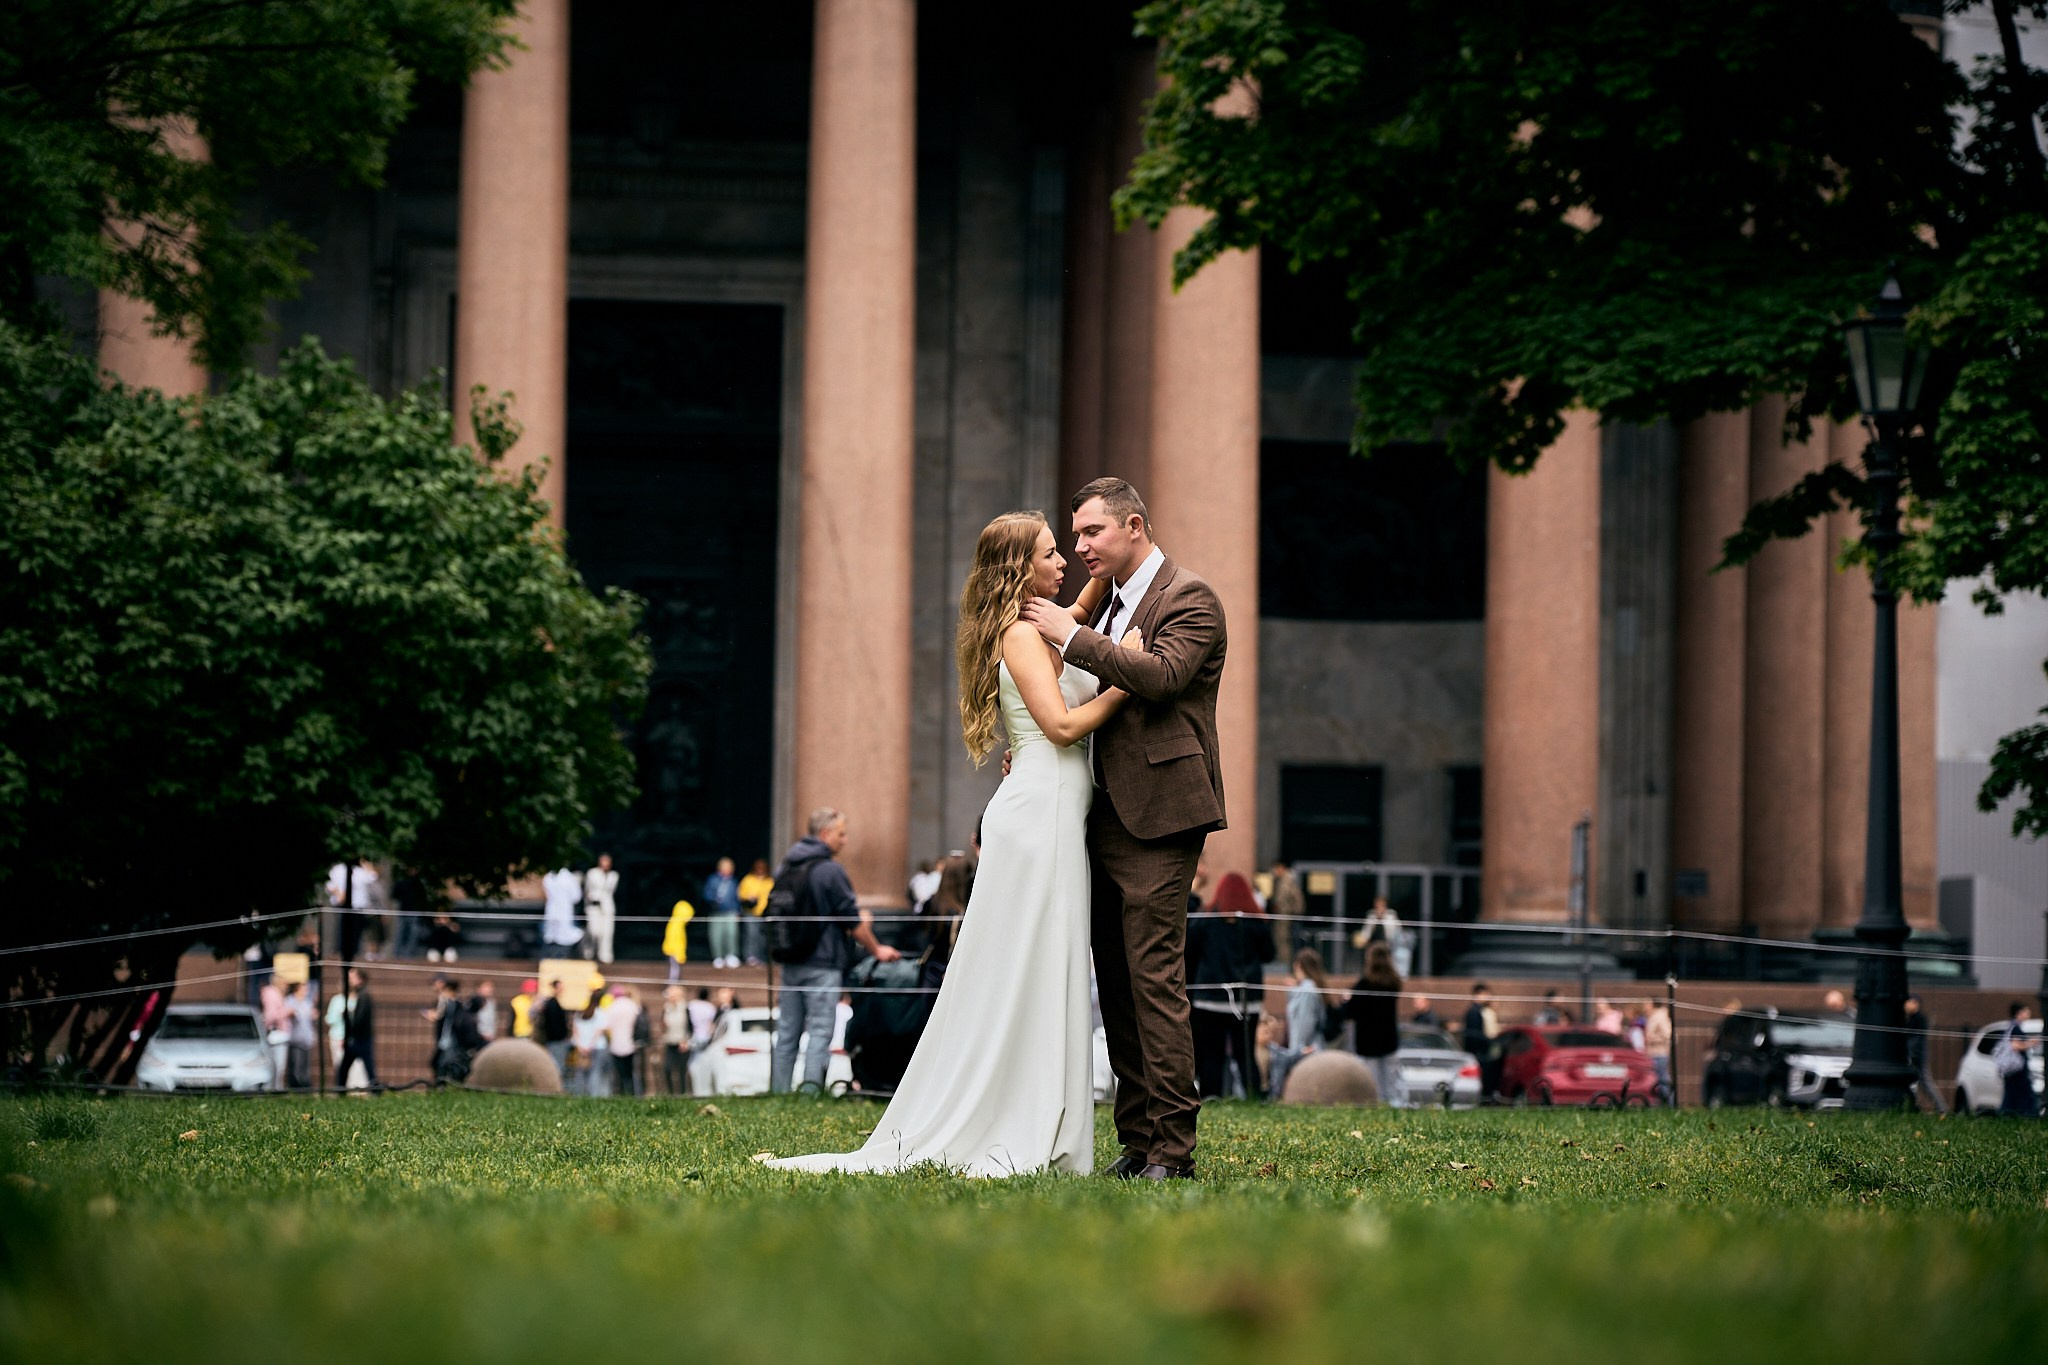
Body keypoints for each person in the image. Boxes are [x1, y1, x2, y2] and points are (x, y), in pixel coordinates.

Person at [767, 506, 1137, 1175]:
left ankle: (1038, 1113)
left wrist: (1104, 567)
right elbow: (1058, 725)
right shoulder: (1024, 637)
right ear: (1021, 570)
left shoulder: (1042, 625)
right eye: (1052, 552)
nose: (1064, 561)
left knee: (1040, 966)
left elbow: (1079, 607)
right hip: (1039, 817)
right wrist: (1124, 678)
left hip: (1047, 809)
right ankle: (1018, 1118)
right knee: (1029, 966)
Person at [1025, 478, 1230, 1181]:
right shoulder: (1109, 600)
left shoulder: (1191, 598)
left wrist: (1072, 636)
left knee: (1154, 980)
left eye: (1091, 533)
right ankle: (1139, 1140)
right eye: (1075, 536)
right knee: (1114, 981)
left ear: (1133, 525)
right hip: (1099, 814)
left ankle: (1175, 1152)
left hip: (1163, 817)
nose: (1079, 546)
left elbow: (1165, 677)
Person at [767, 810, 902, 1095]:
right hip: (822, 963)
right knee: (820, 1032)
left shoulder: (785, 867)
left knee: (788, 1032)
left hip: (790, 960)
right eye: (841, 834)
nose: (846, 840)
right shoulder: (830, 871)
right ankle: (810, 1094)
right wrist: (876, 948)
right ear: (825, 834)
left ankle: (778, 1093)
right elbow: (851, 919)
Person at [1185, 871, 1270, 1100]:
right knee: (1246, 1053)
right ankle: (1253, 1096)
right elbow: (1269, 953)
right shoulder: (1256, 923)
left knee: (1213, 1054)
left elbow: (1189, 948)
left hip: (1210, 997)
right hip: (1247, 1000)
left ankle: (1212, 1096)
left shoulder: (1206, 920)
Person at [1267, 949, 1331, 1101]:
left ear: (1298, 965)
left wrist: (1298, 1050)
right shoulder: (1308, 987)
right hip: (1308, 1046)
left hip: (1306, 1049)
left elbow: (1304, 1022)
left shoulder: (1307, 990)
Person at [1346, 941, 1404, 1107]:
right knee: (1391, 1083)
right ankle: (1395, 1107)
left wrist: (1347, 1000)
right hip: (1388, 1038)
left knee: (1372, 1082)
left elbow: (1351, 1012)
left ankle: (1374, 1108)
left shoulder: (1363, 984)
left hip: (1367, 1040)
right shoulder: (1394, 983)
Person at [1902, 994, 1947, 1115]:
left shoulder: (1920, 1019)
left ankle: (1942, 1108)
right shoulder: (1910, 1019)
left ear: (1916, 1004)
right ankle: (1914, 1105)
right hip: (1914, 1055)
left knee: (1926, 1082)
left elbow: (1917, 1039)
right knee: (1916, 1083)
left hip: (1918, 1056)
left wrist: (1911, 1053)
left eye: (1910, 1002)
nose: (1907, 1005)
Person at [1994, 1002, 2037, 1117]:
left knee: (2011, 1093)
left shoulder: (2010, 1027)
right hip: (2017, 1068)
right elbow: (2015, 1045)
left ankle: (2007, 1113)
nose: (2028, 1013)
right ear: (2019, 1013)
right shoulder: (2016, 1028)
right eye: (2026, 1011)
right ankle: (2028, 1114)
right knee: (2024, 1093)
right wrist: (2031, 1043)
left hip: (2012, 1069)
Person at [337, 967, 377, 1089]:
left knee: (366, 1068)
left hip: (360, 1040)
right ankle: (340, 1090)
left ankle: (375, 1089)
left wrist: (348, 1024)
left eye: (352, 978)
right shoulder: (361, 995)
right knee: (345, 1069)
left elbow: (359, 1020)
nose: (349, 981)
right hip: (358, 1039)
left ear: (360, 980)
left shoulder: (364, 996)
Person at [573, 977, 610, 1096]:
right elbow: (599, 1032)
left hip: (582, 1048)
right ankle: (595, 1096)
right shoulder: (601, 1013)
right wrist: (590, 1046)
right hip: (597, 1047)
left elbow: (575, 1031)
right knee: (596, 1073)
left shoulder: (580, 1013)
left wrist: (581, 1046)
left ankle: (579, 1095)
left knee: (580, 1072)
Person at [1463, 983, 1501, 1102]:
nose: (1488, 998)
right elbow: (1474, 1034)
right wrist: (1485, 1045)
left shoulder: (1476, 1010)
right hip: (1478, 1051)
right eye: (1486, 995)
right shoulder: (1475, 1011)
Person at [702, 857, 743, 968]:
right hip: (716, 912)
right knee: (716, 935)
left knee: (731, 934)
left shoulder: (733, 881)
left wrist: (738, 911)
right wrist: (713, 900)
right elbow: (707, 894)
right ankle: (718, 956)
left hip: (730, 911)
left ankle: (731, 955)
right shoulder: (713, 879)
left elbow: (736, 897)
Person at [605, 984, 644, 1096]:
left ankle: (621, 1093)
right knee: (631, 1073)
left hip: (616, 1045)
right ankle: (633, 1094)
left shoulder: (613, 1007)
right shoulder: (632, 1005)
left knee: (619, 1073)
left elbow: (607, 1026)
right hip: (631, 1044)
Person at [738, 858, 774, 967]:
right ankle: (750, 956)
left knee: (763, 937)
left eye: (762, 868)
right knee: (751, 934)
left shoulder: (769, 881)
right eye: (758, 868)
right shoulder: (748, 879)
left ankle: (761, 957)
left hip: (765, 913)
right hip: (750, 912)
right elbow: (741, 894)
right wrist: (749, 898)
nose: (760, 870)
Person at [584, 854, 619, 964]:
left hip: (607, 907)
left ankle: (605, 955)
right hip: (593, 906)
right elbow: (587, 890)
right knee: (594, 931)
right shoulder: (592, 873)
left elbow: (610, 891)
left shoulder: (613, 875)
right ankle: (588, 952)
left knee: (607, 932)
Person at [538, 978, 573, 1082]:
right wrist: (561, 1036)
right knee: (557, 1065)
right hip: (556, 1040)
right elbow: (553, 1023)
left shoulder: (552, 1003)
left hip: (555, 1040)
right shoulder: (552, 1003)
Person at [542, 866, 583, 953]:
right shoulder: (569, 878)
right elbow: (576, 897)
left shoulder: (548, 877)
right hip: (565, 910)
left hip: (552, 910)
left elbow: (546, 894)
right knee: (563, 936)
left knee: (553, 935)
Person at [283, 979, 316, 1089]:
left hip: (306, 1038)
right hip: (296, 1038)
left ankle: (305, 1086)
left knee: (305, 1066)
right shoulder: (290, 1001)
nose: (306, 991)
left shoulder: (307, 1002)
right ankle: (296, 1086)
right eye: (304, 989)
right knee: (296, 1065)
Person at [661, 986, 691, 1095]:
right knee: (667, 1068)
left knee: (681, 1070)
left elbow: (689, 1026)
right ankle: (671, 1093)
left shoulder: (685, 1008)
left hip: (682, 1042)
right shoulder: (667, 1008)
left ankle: (682, 1093)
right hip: (670, 1041)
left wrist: (686, 1040)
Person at [1644, 1000, 1672, 1105]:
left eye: (1646, 1003)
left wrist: (1652, 1039)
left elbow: (1668, 1035)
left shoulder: (1660, 1017)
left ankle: (1669, 1103)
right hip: (1654, 1053)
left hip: (1660, 1053)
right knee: (1658, 1080)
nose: (1645, 1006)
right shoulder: (1653, 1017)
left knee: (1662, 1079)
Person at [662, 898, 694, 983]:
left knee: (675, 969)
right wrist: (679, 954)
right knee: (674, 970)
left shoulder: (675, 922)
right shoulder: (677, 924)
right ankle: (671, 987)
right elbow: (675, 940)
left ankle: (674, 986)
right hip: (674, 952)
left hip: (672, 951)